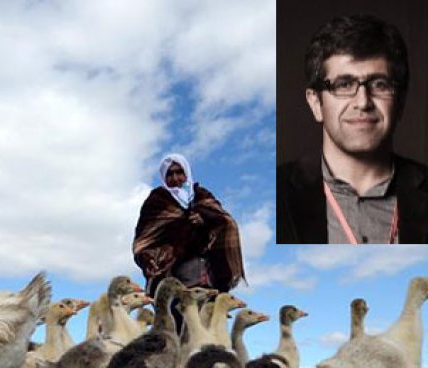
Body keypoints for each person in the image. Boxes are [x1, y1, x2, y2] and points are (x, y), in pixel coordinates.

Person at [277, 14, 428, 244]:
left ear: (400, 102)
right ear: (316, 103)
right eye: (344, 85)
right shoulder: (276, 196)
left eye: (379, 84)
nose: (363, 102)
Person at [133, 153, 245, 297]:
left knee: (210, 311)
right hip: (175, 269)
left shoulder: (202, 195)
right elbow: (145, 239)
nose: (175, 178)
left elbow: (224, 221)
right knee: (181, 311)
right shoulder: (157, 201)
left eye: (179, 172)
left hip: (209, 267)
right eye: (170, 174)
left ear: (187, 173)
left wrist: (204, 219)